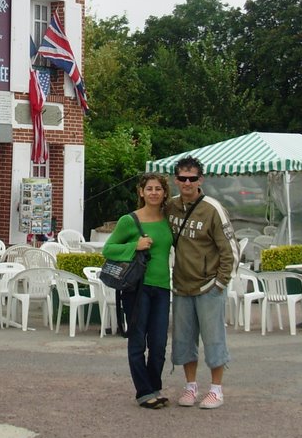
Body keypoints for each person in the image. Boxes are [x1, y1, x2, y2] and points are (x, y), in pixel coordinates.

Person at [167, 157, 238, 409]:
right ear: (176, 180)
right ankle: (190, 387)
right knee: (183, 339)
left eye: (192, 178)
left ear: (201, 180)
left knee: (213, 338)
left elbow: (230, 249)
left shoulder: (212, 209)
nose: (187, 183)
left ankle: (216, 390)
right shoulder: (171, 207)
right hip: (182, 286)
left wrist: (220, 282)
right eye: (183, 178)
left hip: (208, 286)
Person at [102, 172, 174, 409]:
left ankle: (154, 387)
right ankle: (144, 392)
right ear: (141, 192)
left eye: (158, 189)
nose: (154, 193)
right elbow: (108, 249)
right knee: (137, 341)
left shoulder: (168, 220)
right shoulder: (129, 221)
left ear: (165, 193)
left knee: (159, 343)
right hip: (138, 288)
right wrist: (135, 245)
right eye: (149, 188)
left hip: (162, 288)